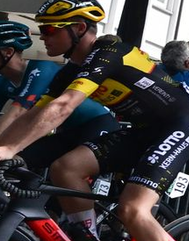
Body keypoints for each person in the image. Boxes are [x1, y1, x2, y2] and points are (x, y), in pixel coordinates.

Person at [0, 0, 189, 241]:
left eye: (50, 29)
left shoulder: (110, 54)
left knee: (132, 209)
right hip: (140, 131)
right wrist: (7, 147)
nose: (43, 36)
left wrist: (8, 151)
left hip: (180, 126)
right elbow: (38, 113)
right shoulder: (70, 70)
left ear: (79, 29)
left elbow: (63, 108)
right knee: (65, 168)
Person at [0, 19, 120, 170]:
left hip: (96, 123)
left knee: (68, 171)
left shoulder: (41, 69)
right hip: (67, 131)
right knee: (15, 165)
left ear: (8, 52)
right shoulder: (3, 81)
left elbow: (18, 113)